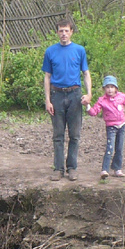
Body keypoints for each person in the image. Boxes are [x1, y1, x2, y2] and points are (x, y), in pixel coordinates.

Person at [42, 17, 92, 181]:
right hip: (57, 95)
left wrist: (89, 93)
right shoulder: (50, 51)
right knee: (58, 135)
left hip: (75, 95)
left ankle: (72, 168)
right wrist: (48, 100)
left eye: (66, 31)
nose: (63, 34)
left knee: (75, 134)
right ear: (57, 32)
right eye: (61, 31)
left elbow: (85, 73)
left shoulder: (79, 50)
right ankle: (58, 169)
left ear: (71, 32)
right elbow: (47, 77)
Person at [86, 75, 125, 178]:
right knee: (110, 147)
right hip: (111, 127)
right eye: (107, 87)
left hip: (122, 125)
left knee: (119, 148)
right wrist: (88, 106)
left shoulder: (122, 97)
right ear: (104, 89)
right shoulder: (102, 100)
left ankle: (117, 168)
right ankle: (105, 169)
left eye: (112, 87)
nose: (110, 89)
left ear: (116, 88)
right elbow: (94, 112)